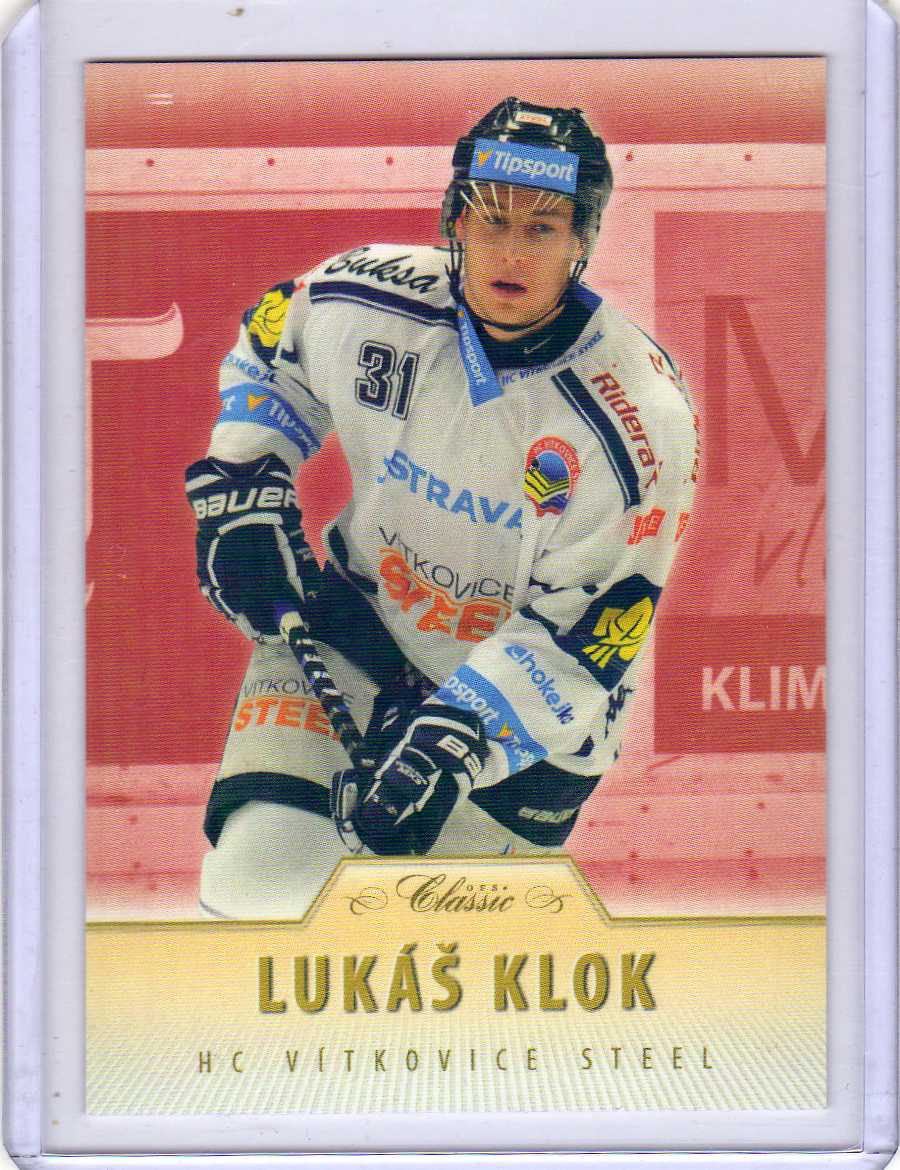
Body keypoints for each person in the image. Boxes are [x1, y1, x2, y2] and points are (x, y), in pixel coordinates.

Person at [186, 97, 699, 918]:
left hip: (534, 718)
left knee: (422, 935)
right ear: (455, 219)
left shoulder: (640, 419)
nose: (512, 250)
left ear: (581, 241)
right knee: (256, 884)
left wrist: (460, 739)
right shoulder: (365, 295)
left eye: (542, 228)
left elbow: (593, 626)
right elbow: (272, 349)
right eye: (492, 219)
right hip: (359, 627)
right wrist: (244, 485)